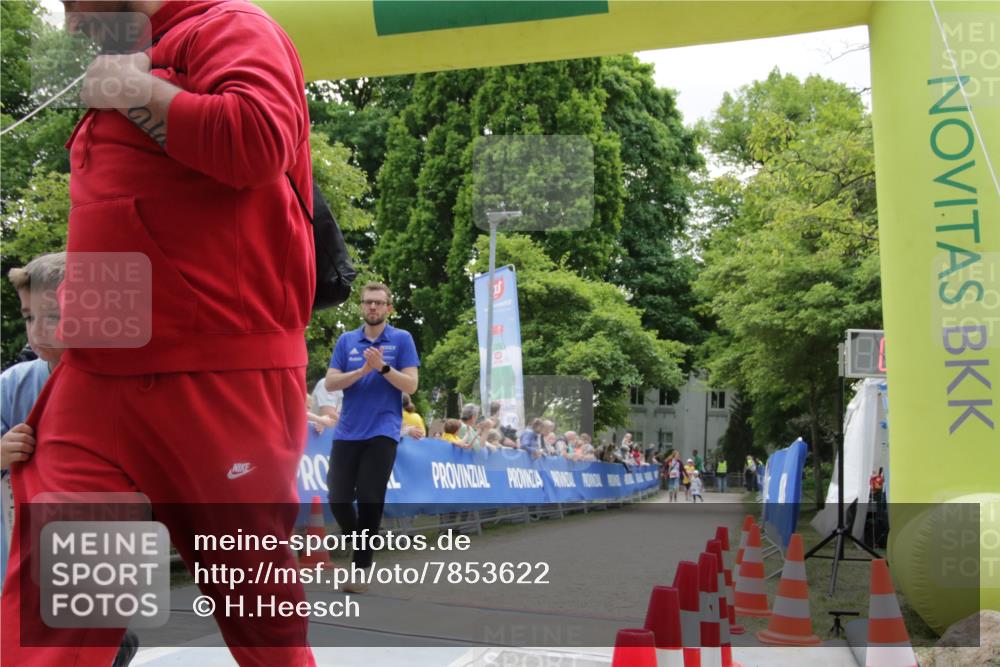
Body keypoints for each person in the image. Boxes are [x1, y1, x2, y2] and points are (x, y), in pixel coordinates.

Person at [2, 2, 317, 665]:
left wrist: (138, 90)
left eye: (73, 3)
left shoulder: (232, 25)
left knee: (263, 625)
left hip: (219, 376)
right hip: (98, 382)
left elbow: (256, 141)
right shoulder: (146, 49)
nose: (70, 26)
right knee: (55, 612)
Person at [324, 283, 419, 593]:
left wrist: (383, 368)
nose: (373, 308)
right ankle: (361, 542)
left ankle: (361, 568)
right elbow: (331, 382)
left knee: (369, 497)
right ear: (361, 307)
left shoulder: (402, 338)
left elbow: (411, 385)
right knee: (337, 497)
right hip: (348, 430)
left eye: (379, 303)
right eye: (368, 303)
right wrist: (364, 370)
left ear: (388, 307)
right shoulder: (347, 340)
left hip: (383, 429)